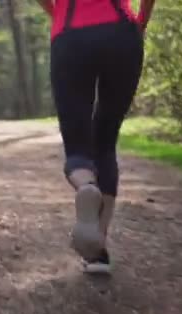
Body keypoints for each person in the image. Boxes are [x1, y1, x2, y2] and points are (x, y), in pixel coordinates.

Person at [36, 0, 156, 273]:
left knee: (78, 145)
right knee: (106, 138)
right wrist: (141, 24)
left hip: (70, 35)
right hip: (122, 34)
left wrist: (58, 16)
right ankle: (98, 247)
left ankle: (87, 186)